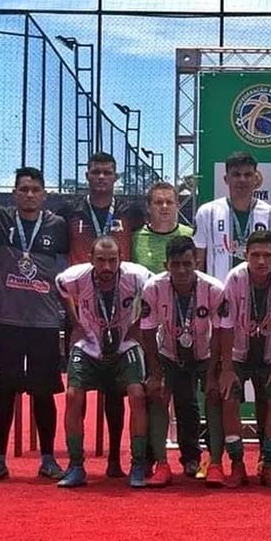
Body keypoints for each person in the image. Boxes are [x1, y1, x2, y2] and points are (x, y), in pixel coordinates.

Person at [0, 167, 69, 481]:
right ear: (14, 193)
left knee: (44, 393)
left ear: (44, 194)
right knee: (4, 392)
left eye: (35, 190)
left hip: (44, 323)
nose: (29, 195)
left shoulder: (58, 226)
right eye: (23, 189)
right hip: (6, 321)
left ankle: (48, 460)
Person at [194, 151, 271, 476]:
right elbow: (200, 262)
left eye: (248, 174)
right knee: (217, 386)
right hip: (220, 313)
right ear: (226, 178)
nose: (242, 180)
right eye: (236, 174)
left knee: (265, 391)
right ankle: (214, 457)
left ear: (256, 177)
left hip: (258, 313)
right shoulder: (208, 212)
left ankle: (264, 460)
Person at [57, 151, 144, 479]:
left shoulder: (130, 213)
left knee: (116, 392)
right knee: (76, 389)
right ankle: (74, 463)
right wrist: (75, 321)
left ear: (116, 177)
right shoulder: (69, 212)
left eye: (108, 172)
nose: (101, 177)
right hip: (83, 310)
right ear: (87, 175)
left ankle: (115, 460)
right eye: (95, 172)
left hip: (120, 308)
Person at [55, 237, 151, 488]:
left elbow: (156, 291)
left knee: (137, 394)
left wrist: (138, 324)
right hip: (89, 343)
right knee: (73, 395)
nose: (107, 267)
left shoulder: (136, 276)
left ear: (121, 260)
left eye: (112, 261)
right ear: (90, 259)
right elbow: (60, 287)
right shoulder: (75, 277)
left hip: (123, 345)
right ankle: (76, 466)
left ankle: (138, 464)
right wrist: (75, 322)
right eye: (101, 261)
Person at [140, 236, 226, 487]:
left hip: (205, 354)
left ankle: (215, 463)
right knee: (158, 396)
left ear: (196, 262)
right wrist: (155, 372)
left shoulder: (213, 289)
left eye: (187, 264)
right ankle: (161, 463)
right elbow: (147, 330)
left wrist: (211, 375)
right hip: (168, 353)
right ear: (166, 264)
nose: (181, 270)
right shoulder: (153, 288)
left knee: (212, 396)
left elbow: (220, 332)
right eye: (175, 264)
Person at [132, 181, 202, 478]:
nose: (163, 207)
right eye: (157, 202)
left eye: (169, 202)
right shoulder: (136, 238)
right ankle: (149, 457)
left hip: (187, 325)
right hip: (147, 327)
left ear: (177, 205)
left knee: (186, 398)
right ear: (149, 207)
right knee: (152, 393)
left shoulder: (190, 236)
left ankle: (191, 457)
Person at [217, 230, 271, 487]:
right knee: (229, 397)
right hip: (240, 354)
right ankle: (237, 464)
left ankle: (269, 464)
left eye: (267, 255)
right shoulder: (235, 277)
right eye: (255, 255)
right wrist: (227, 369)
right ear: (245, 255)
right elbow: (226, 325)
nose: (261, 261)